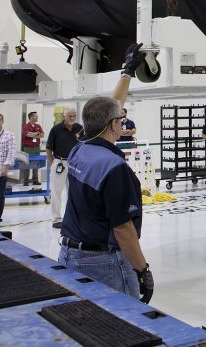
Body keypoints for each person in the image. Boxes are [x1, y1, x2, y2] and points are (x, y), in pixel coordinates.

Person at [59, 43, 153, 303]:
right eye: (121, 120)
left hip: (69, 254)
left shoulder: (79, 150)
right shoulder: (114, 168)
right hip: (103, 262)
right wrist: (142, 270)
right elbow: (122, 228)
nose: (123, 122)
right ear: (114, 125)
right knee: (124, 325)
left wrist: (128, 71)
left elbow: (111, 108)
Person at [46, 107, 83, 229]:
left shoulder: (80, 129)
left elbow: (84, 145)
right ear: (64, 116)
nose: (72, 118)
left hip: (75, 164)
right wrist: (52, 163)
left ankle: (72, 218)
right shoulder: (56, 129)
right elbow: (49, 148)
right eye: (69, 116)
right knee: (56, 192)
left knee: (74, 192)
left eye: (74, 116)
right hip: (59, 162)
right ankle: (56, 219)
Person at [20, 111, 45, 186]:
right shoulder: (26, 126)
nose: (37, 117)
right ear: (31, 117)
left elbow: (42, 135)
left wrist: (34, 135)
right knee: (27, 164)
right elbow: (28, 134)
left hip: (36, 148)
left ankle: (35, 180)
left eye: (37, 116)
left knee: (36, 164)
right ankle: (26, 181)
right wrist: (36, 134)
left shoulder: (38, 126)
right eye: (35, 116)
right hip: (28, 149)